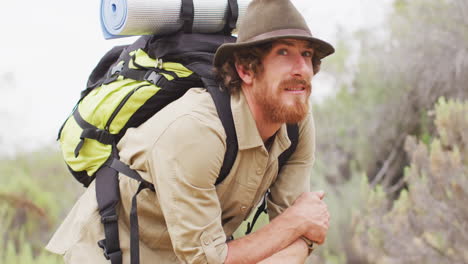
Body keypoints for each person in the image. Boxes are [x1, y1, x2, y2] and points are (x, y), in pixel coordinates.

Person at [46, 0, 335, 263]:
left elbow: (299, 230)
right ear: (246, 70)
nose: (302, 68)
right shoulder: (197, 130)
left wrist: (298, 228)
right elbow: (211, 258)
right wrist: (296, 225)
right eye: (283, 52)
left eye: (307, 54)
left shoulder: (295, 122)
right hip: (110, 252)